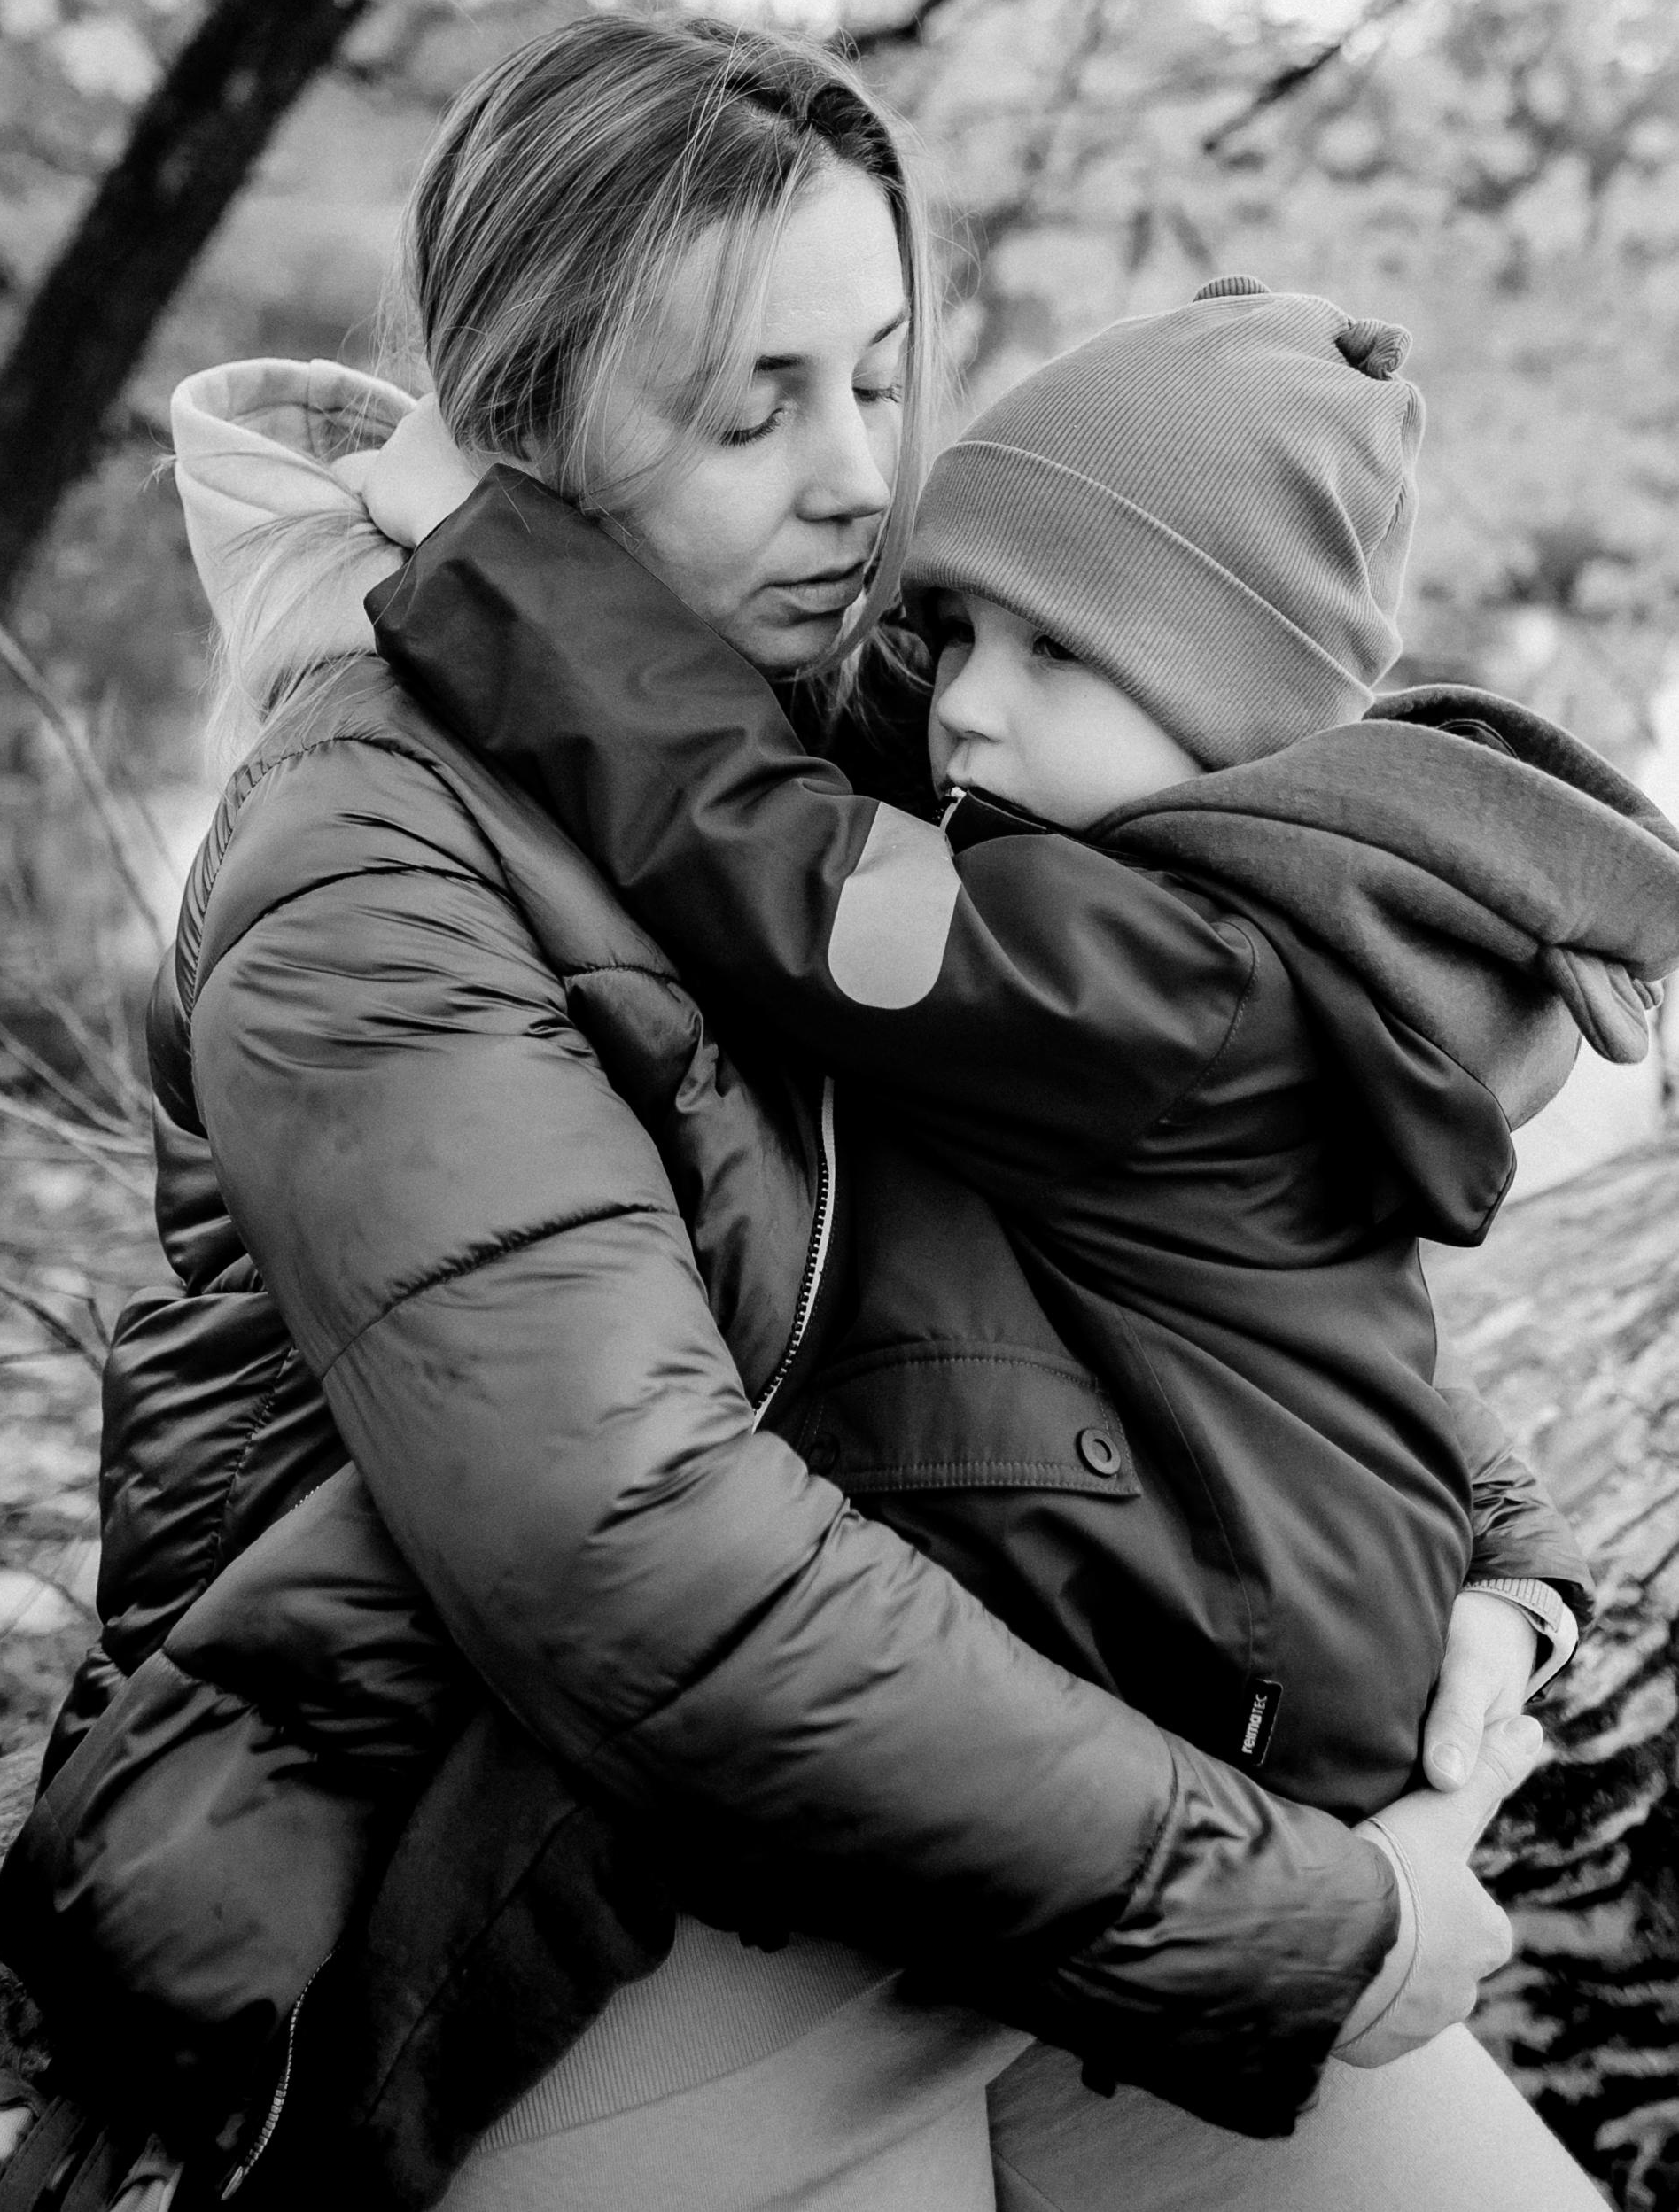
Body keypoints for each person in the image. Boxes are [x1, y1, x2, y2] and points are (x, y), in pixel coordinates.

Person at [0, 18, 1594, 2212]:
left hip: (1030, 1821)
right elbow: (638, 1570)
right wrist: (1300, 1925)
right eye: (751, 405)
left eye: (879, 375)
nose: (852, 474)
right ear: (523, 432)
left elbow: (1206, 1210)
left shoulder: (905, 713)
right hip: (601, 1893)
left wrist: (1498, 1555)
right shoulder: (370, 857)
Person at [367, 272, 1679, 1828]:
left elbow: (796, 873)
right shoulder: (1259, 919)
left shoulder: (1172, 977)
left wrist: (493, 564)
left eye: (1055, 651)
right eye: (956, 629)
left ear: (1234, 703)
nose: (967, 706)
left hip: (1243, 1684)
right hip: (1298, 1610)